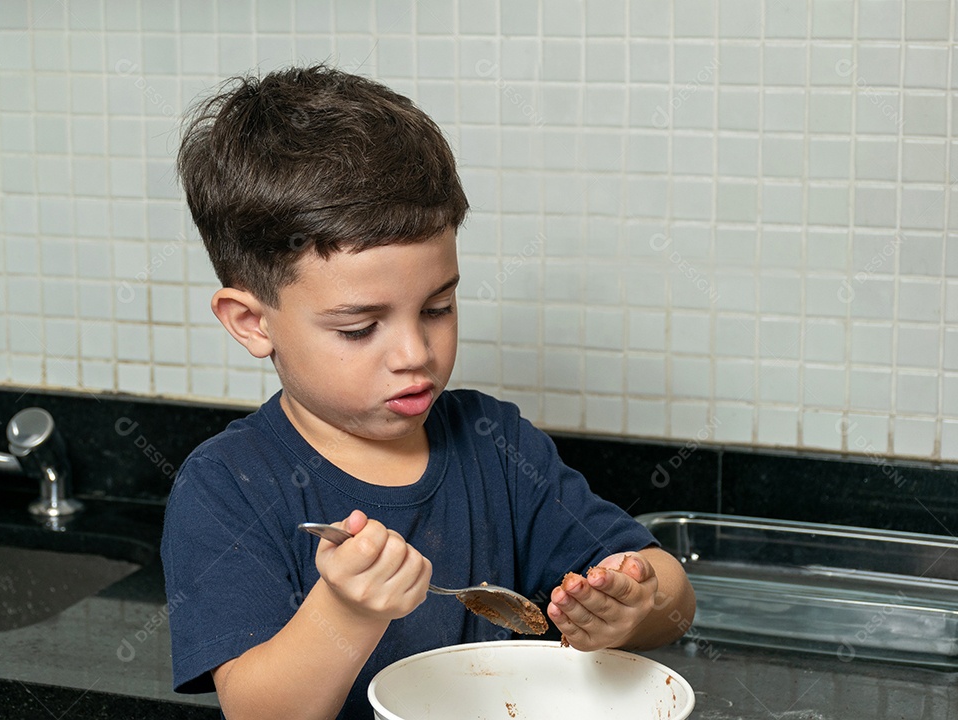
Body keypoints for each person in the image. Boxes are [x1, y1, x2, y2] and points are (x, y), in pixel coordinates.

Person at [161, 65, 695, 720]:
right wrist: (346, 611)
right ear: (252, 322)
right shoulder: (228, 487)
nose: (416, 354)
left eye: (438, 307)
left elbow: (672, 594)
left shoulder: (496, 446)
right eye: (360, 328)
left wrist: (633, 609)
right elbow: (261, 712)